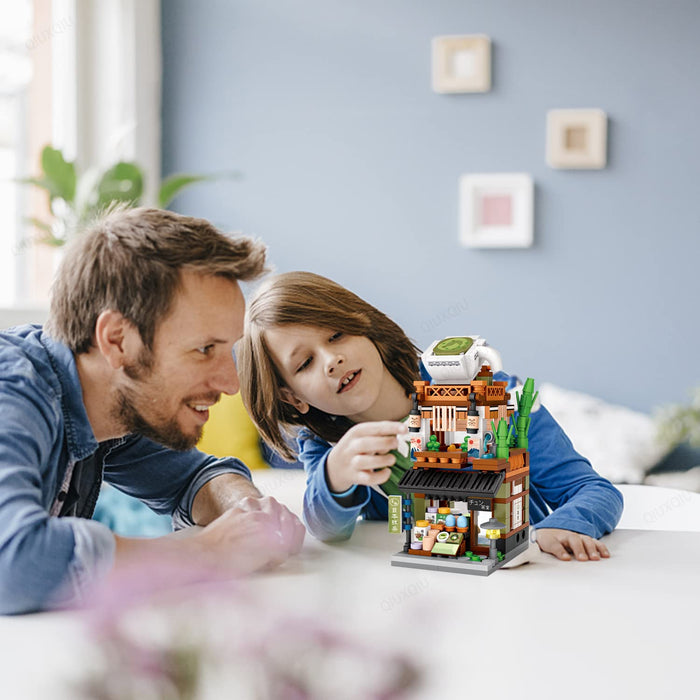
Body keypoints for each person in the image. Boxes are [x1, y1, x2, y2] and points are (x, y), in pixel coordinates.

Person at [0, 207, 305, 615]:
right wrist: (207, 551)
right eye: (204, 350)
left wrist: (248, 512)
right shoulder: (14, 391)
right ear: (117, 340)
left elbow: (192, 477)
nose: (231, 384)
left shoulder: (108, 405)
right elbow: (11, 562)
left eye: (227, 350)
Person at [238, 271, 623, 562]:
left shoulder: (490, 391)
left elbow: (595, 491)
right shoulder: (326, 444)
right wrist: (334, 475)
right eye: (305, 362)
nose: (331, 360)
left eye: (337, 335)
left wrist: (563, 525)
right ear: (293, 397)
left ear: (365, 326)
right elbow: (327, 528)